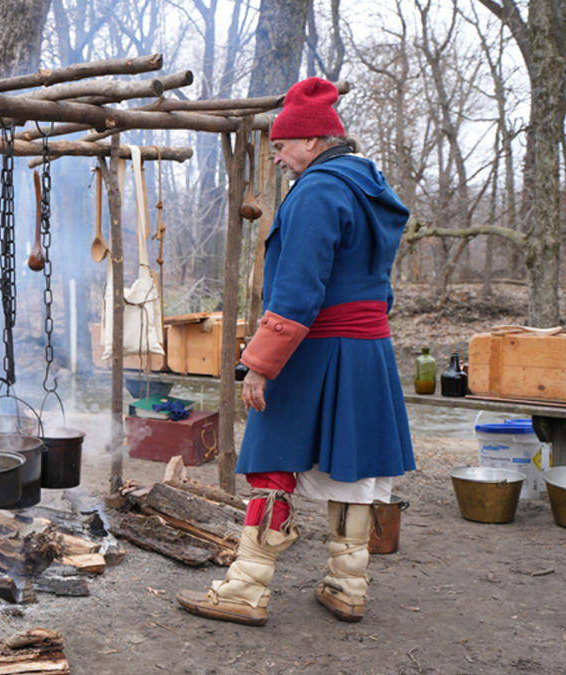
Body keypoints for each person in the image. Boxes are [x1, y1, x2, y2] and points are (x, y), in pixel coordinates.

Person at [176, 78, 414, 625]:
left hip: (313, 346)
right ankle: (347, 585)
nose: (278, 158)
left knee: (272, 457)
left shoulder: (318, 190)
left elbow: (300, 290)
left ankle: (245, 588)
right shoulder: (371, 186)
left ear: (310, 140)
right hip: (367, 348)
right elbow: (379, 286)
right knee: (356, 464)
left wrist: (259, 364)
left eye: (281, 146)